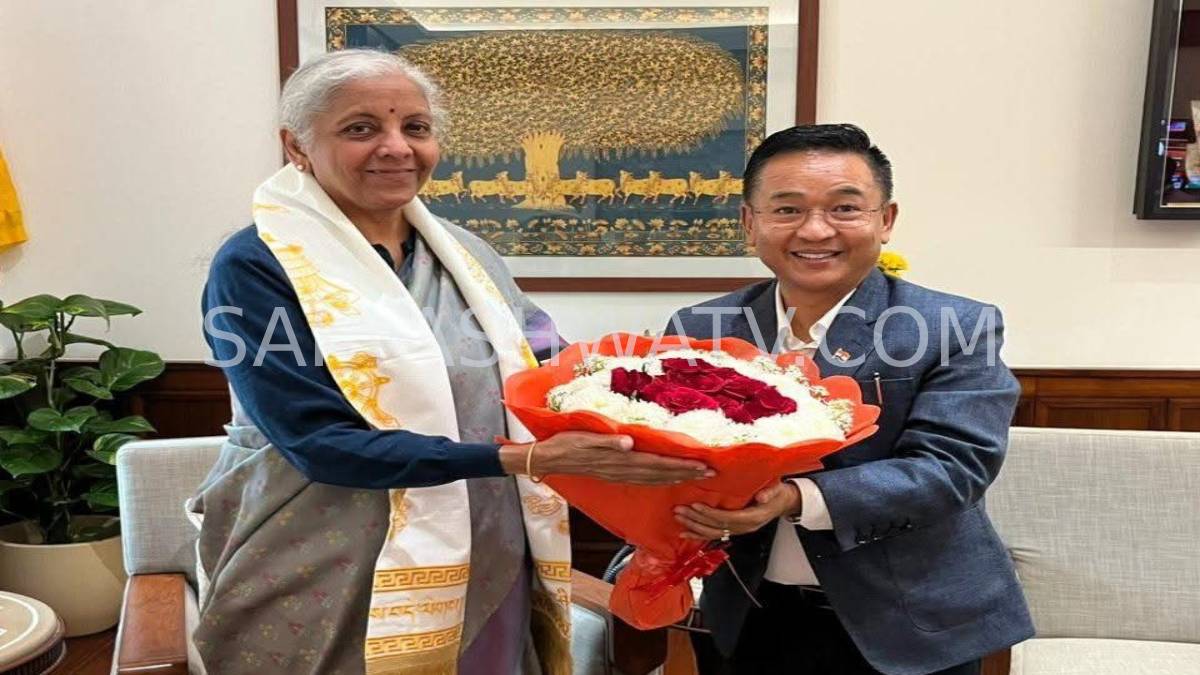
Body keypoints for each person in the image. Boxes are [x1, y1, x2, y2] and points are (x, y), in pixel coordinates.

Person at [191, 49, 712, 675]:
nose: (396, 147)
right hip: (321, 548)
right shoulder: (256, 266)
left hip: (484, 537)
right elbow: (315, 441)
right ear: (297, 146)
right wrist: (523, 460)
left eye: (415, 127)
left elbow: (546, 368)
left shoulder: (464, 254)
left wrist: (680, 407)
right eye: (361, 128)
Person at [666, 124, 1033, 675]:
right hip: (748, 615)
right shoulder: (700, 328)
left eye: (844, 208)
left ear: (885, 221)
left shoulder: (954, 325)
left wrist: (794, 497)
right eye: (787, 210)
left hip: (909, 622)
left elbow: (953, 468)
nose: (815, 231)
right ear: (750, 223)